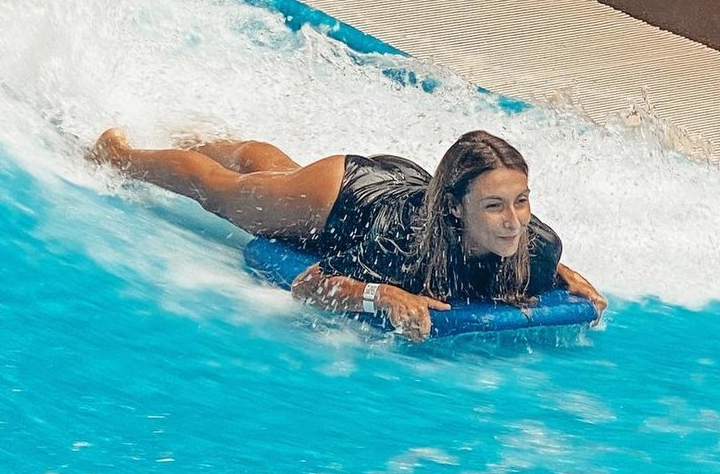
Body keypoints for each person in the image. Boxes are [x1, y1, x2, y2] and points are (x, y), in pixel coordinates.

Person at [90, 127, 606, 341]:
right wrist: (379, 297)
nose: (514, 221)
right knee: (225, 194)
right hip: (343, 198)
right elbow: (311, 284)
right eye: (494, 207)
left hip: (406, 190)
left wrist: (563, 274)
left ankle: (214, 139)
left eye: (521, 201)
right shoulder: (401, 246)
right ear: (456, 206)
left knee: (266, 179)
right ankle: (119, 154)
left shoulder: (536, 243)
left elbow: (531, 249)